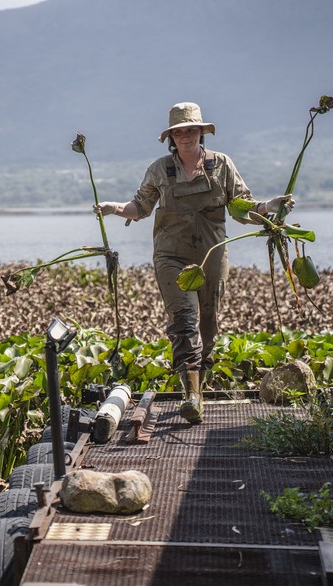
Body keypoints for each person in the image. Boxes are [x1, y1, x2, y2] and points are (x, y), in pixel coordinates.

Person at [94, 102, 293, 424]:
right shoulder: (160, 169)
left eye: (191, 130)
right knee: (184, 321)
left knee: (208, 323)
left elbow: (242, 207)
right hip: (171, 255)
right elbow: (140, 207)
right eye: (179, 132)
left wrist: (270, 207)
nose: (185, 136)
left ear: (201, 132)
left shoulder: (221, 164)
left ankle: (200, 382)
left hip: (212, 255)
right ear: (171, 137)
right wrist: (113, 207)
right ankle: (191, 396)